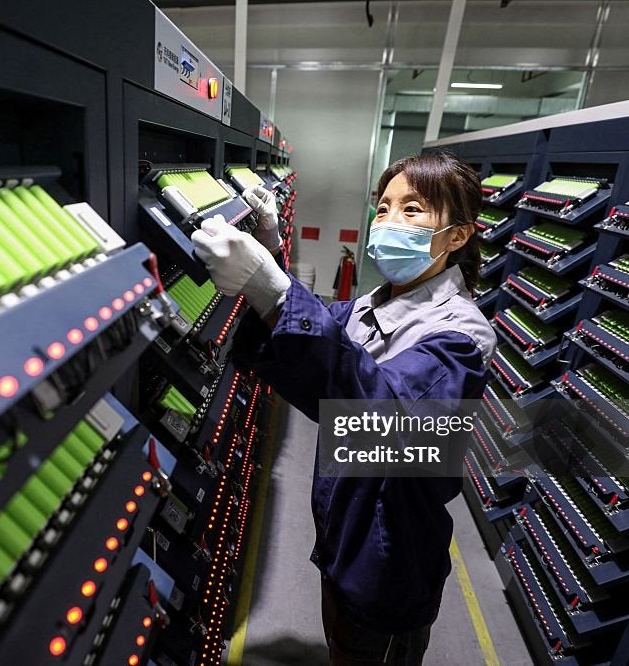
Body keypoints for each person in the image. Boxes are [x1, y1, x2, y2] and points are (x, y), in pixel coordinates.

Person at [190, 150, 496, 665]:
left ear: (458, 235)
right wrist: (270, 260)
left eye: (413, 209)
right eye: (383, 207)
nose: (389, 221)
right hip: (345, 535)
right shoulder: (367, 306)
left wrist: (275, 290)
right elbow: (311, 354)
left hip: (389, 558)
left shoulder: (459, 335)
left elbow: (383, 415)